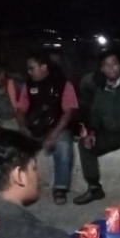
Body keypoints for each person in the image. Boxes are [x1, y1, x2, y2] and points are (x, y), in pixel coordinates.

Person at [73, 48, 120, 208]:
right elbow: (95, 114)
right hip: (112, 134)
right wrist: (92, 132)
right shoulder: (102, 89)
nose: (111, 68)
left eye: (114, 63)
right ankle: (94, 187)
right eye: (106, 65)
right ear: (102, 69)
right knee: (85, 143)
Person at [15, 51, 78, 205]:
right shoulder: (29, 85)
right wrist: (22, 127)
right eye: (28, 69)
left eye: (32, 68)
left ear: (43, 67)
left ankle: (60, 188)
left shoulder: (64, 84)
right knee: (14, 144)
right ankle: (20, 186)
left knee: (63, 145)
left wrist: (53, 134)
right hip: (36, 126)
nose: (29, 72)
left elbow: (68, 113)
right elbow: (20, 109)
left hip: (58, 127)